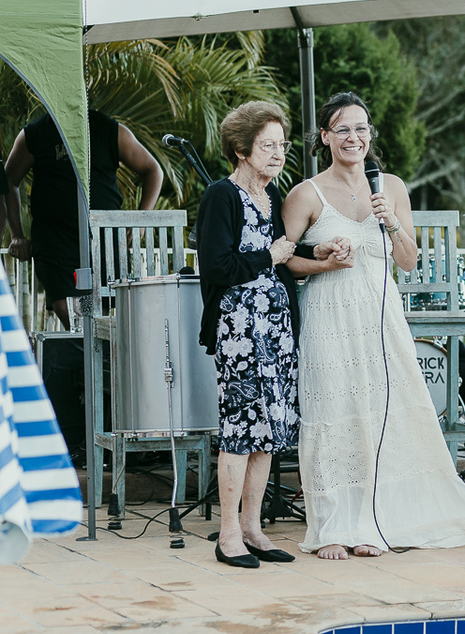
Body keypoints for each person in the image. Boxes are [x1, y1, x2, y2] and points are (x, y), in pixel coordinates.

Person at [282, 92, 465, 559]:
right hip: (329, 316)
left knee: (386, 413)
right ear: (325, 137)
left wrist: (391, 222)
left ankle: (377, 520)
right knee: (334, 414)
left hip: (381, 314)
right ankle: (333, 525)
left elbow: (408, 262)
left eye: (361, 128)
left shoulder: (390, 186)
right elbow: (285, 259)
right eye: (343, 129)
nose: (354, 138)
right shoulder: (305, 193)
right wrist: (325, 263)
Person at [196, 101, 301, 569]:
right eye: (267, 145)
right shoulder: (221, 196)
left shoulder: (272, 196)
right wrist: (269, 258)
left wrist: (320, 251)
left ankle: (254, 528)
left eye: (282, 145)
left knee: (268, 431)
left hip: (276, 331)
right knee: (239, 430)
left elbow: (285, 253)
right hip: (239, 331)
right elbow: (217, 266)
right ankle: (228, 535)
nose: (278, 154)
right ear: (241, 150)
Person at [5, 110, 163, 328]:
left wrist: (140, 220)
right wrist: (17, 235)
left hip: (104, 241)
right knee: (69, 309)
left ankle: (94, 344)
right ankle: (87, 337)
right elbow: (8, 181)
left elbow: (153, 169)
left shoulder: (109, 130)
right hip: (55, 242)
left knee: (99, 311)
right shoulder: (35, 133)